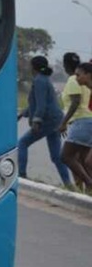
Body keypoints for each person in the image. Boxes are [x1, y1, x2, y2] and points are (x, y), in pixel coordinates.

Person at [17, 55, 72, 188]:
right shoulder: (44, 79)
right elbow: (36, 103)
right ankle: (68, 184)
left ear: (34, 67)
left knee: (22, 143)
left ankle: (22, 175)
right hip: (55, 120)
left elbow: (41, 105)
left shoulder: (39, 81)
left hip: (47, 121)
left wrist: (37, 121)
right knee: (56, 156)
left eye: (30, 66)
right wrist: (22, 113)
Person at [60, 55, 92, 191]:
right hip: (86, 121)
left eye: (79, 75)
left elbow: (75, 102)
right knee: (85, 161)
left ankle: (89, 184)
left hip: (81, 122)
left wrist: (63, 123)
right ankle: (87, 189)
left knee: (66, 156)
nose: (77, 77)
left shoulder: (71, 81)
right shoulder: (87, 88)